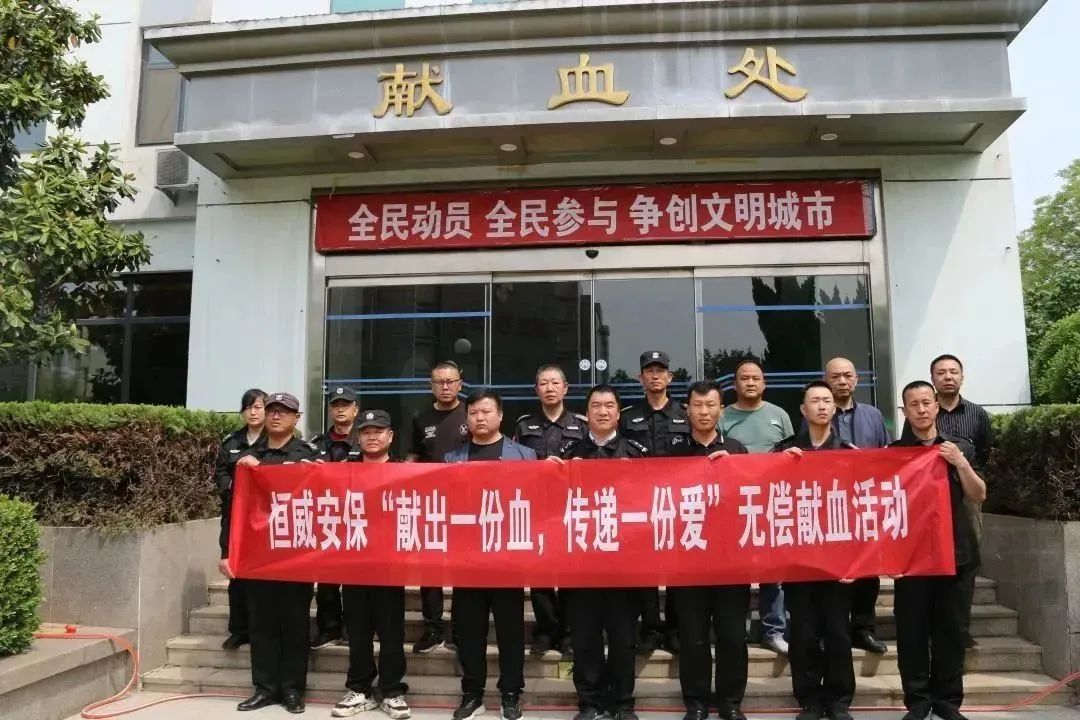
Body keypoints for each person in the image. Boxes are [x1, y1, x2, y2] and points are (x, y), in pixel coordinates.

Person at [891, 380, 986, 720]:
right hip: (912, 559)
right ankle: (917, 701)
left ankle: (947, 701)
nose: (921, 409)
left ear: (935, 406)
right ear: (905, 411)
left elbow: (979, 494)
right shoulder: (893, 453)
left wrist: (961, 463)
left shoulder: (959, 447)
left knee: (952, 630)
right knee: (912, 632)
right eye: (913, 404)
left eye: (926, 402)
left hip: (956, 554)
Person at [550, 384, 647, 720]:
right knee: (585, 637)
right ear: (586, 413)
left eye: (609, 405)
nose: (602, 411)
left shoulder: (636, 453)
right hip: (582, 563)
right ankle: (589, 702)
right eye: (595, 405)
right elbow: (553, 505)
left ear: (619, 413)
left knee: (623, 639)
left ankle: (623, 703)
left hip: (624, 564)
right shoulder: (569, 454)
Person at [445, 390, 535, 720]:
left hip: (507, 560)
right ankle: (472, 693)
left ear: (500, 416)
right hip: (467, 559)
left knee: (511, 633)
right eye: (473, 413)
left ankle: (511, 694)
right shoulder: (452, 458)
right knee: (470, 633)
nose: (480, 418)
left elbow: (538, 502)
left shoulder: (525, 456)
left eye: (486, 411)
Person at [229, 392, 319, 714]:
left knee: (295, 624)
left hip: (296, 555)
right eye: (272, 411)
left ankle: (293, 688)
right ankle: (265, 687)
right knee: (262, 624)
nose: (276, 416)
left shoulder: (310, 456)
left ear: (297, 418)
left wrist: (317, 475)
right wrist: (229, 551)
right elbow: (232, 510)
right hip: (259, 556)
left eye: (284, 411)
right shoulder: (248, 457)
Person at [666, 381, 749, 720]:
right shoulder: (672, 453)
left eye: (711, 405)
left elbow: (752, 496)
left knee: (732, 636)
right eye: (697, 405)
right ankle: (696, 702)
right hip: (688, 562)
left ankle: (730, 702)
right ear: (687, 410)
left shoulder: (737, 450)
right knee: (693, 637)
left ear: (721, 409)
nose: (704, 412)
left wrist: (734, 469)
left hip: (731, 563)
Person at [775, 381, 858, 720]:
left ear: (834, 408)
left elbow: (861, 506)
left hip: (838, 559)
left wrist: (858, 560)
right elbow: (764, 491)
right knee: (803, 631)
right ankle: (809, 698)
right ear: (803, 409)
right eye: (815, 401)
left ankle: (839, 699)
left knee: (838, 631)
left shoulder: (849, 453)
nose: (822, 406)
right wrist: (779, 465)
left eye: (827, 401)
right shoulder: (784, 451)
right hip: (798, 559)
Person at [332, 409, 411, 720]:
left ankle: (392, 691)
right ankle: (360, 689)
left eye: (378, 431)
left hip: (390, 568)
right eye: (366, 432)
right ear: (358, 437)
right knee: (358, 632)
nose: (372, 436)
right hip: (353, 565)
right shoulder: (342, 472)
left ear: (390, 436)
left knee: (392, 633)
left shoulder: (405, 472)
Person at [719, 359, 793, 656]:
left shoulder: (779, 415)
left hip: (771, 502)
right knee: (735, 571)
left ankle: (773, 630)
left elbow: (790, 456)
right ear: (734, 384)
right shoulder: (723, 416)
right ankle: (735, 629)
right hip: (733, 505)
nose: (750, 383)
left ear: (764, 383)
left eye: (755, 378)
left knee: (773, 572)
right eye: (744, 378)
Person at [817, 358, 890, 656]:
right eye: (835, 376)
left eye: (847, 375)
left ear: (856, 379)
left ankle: (864, 629)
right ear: (826, 380)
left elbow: (887, 457)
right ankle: (832, 630)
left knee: (867, 572)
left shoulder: (873, 415)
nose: (842, 381)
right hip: (829, 505)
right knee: (830, 572)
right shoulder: (818, 413)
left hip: (865, 504)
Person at [513, 364, 585, 656]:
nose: (550, 388)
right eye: (544, 383)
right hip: (537, 509)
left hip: (570, 508)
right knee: (540, 573)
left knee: (569, 573)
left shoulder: (581, 425)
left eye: (555, 382)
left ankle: (568, 632)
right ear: (537, 390)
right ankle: (546, 631)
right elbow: (515, 465)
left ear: (565, 388)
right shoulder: (524, 425)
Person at [619, 350, 689, 654]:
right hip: (641, 503)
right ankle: (650, 628)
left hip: (679, 503)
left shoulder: (686, 413)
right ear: (641, 378)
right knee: (644, 568)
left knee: (678, 567)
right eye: (650, 370)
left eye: (661, 370)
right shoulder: (628, 417)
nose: (655, 375)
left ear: (670, 377)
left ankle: (674, 628)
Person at [927, 354, 992, 650]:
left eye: (953, 372)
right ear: (933, 379)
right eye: (941, 372)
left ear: (962, 377)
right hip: (933, 499)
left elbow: (986, 452)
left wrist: (968, 474)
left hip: (966, 495)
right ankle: (935, 625)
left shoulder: (977, 413)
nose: (948, 377)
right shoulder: (926, 410)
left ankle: (961, 629)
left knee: (968, 562)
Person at [407, 361, 470, 654]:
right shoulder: (420, 417)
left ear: (460, 384)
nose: (445, 387)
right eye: (439, 382)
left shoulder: (472, 413)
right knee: (430, 568)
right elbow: (412, 458)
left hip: (466, 503)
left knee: (462, 568)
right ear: (430, 385)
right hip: (430, 503)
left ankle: (460, 629)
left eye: (450, 381)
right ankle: (433, 628)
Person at [310, 385, 362, 650]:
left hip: (358, 518)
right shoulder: (315, 445)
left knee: (356, 579)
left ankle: (356, 628)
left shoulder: (367, 441)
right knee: (327, 578)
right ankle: (329, 628)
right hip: (326, 518)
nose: (340, 409)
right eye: (335, 405)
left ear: (356, 409)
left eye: (346, 404)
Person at [215, 388, 266, 652]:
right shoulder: (231, 442)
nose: (253, 412)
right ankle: (238, 630)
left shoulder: (274, 441)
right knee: (237, 575)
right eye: (248, 407)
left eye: (258, 407)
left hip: (265, 517)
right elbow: (220, 474)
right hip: (235, 515)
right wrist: (235, 486)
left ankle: (260, 629)